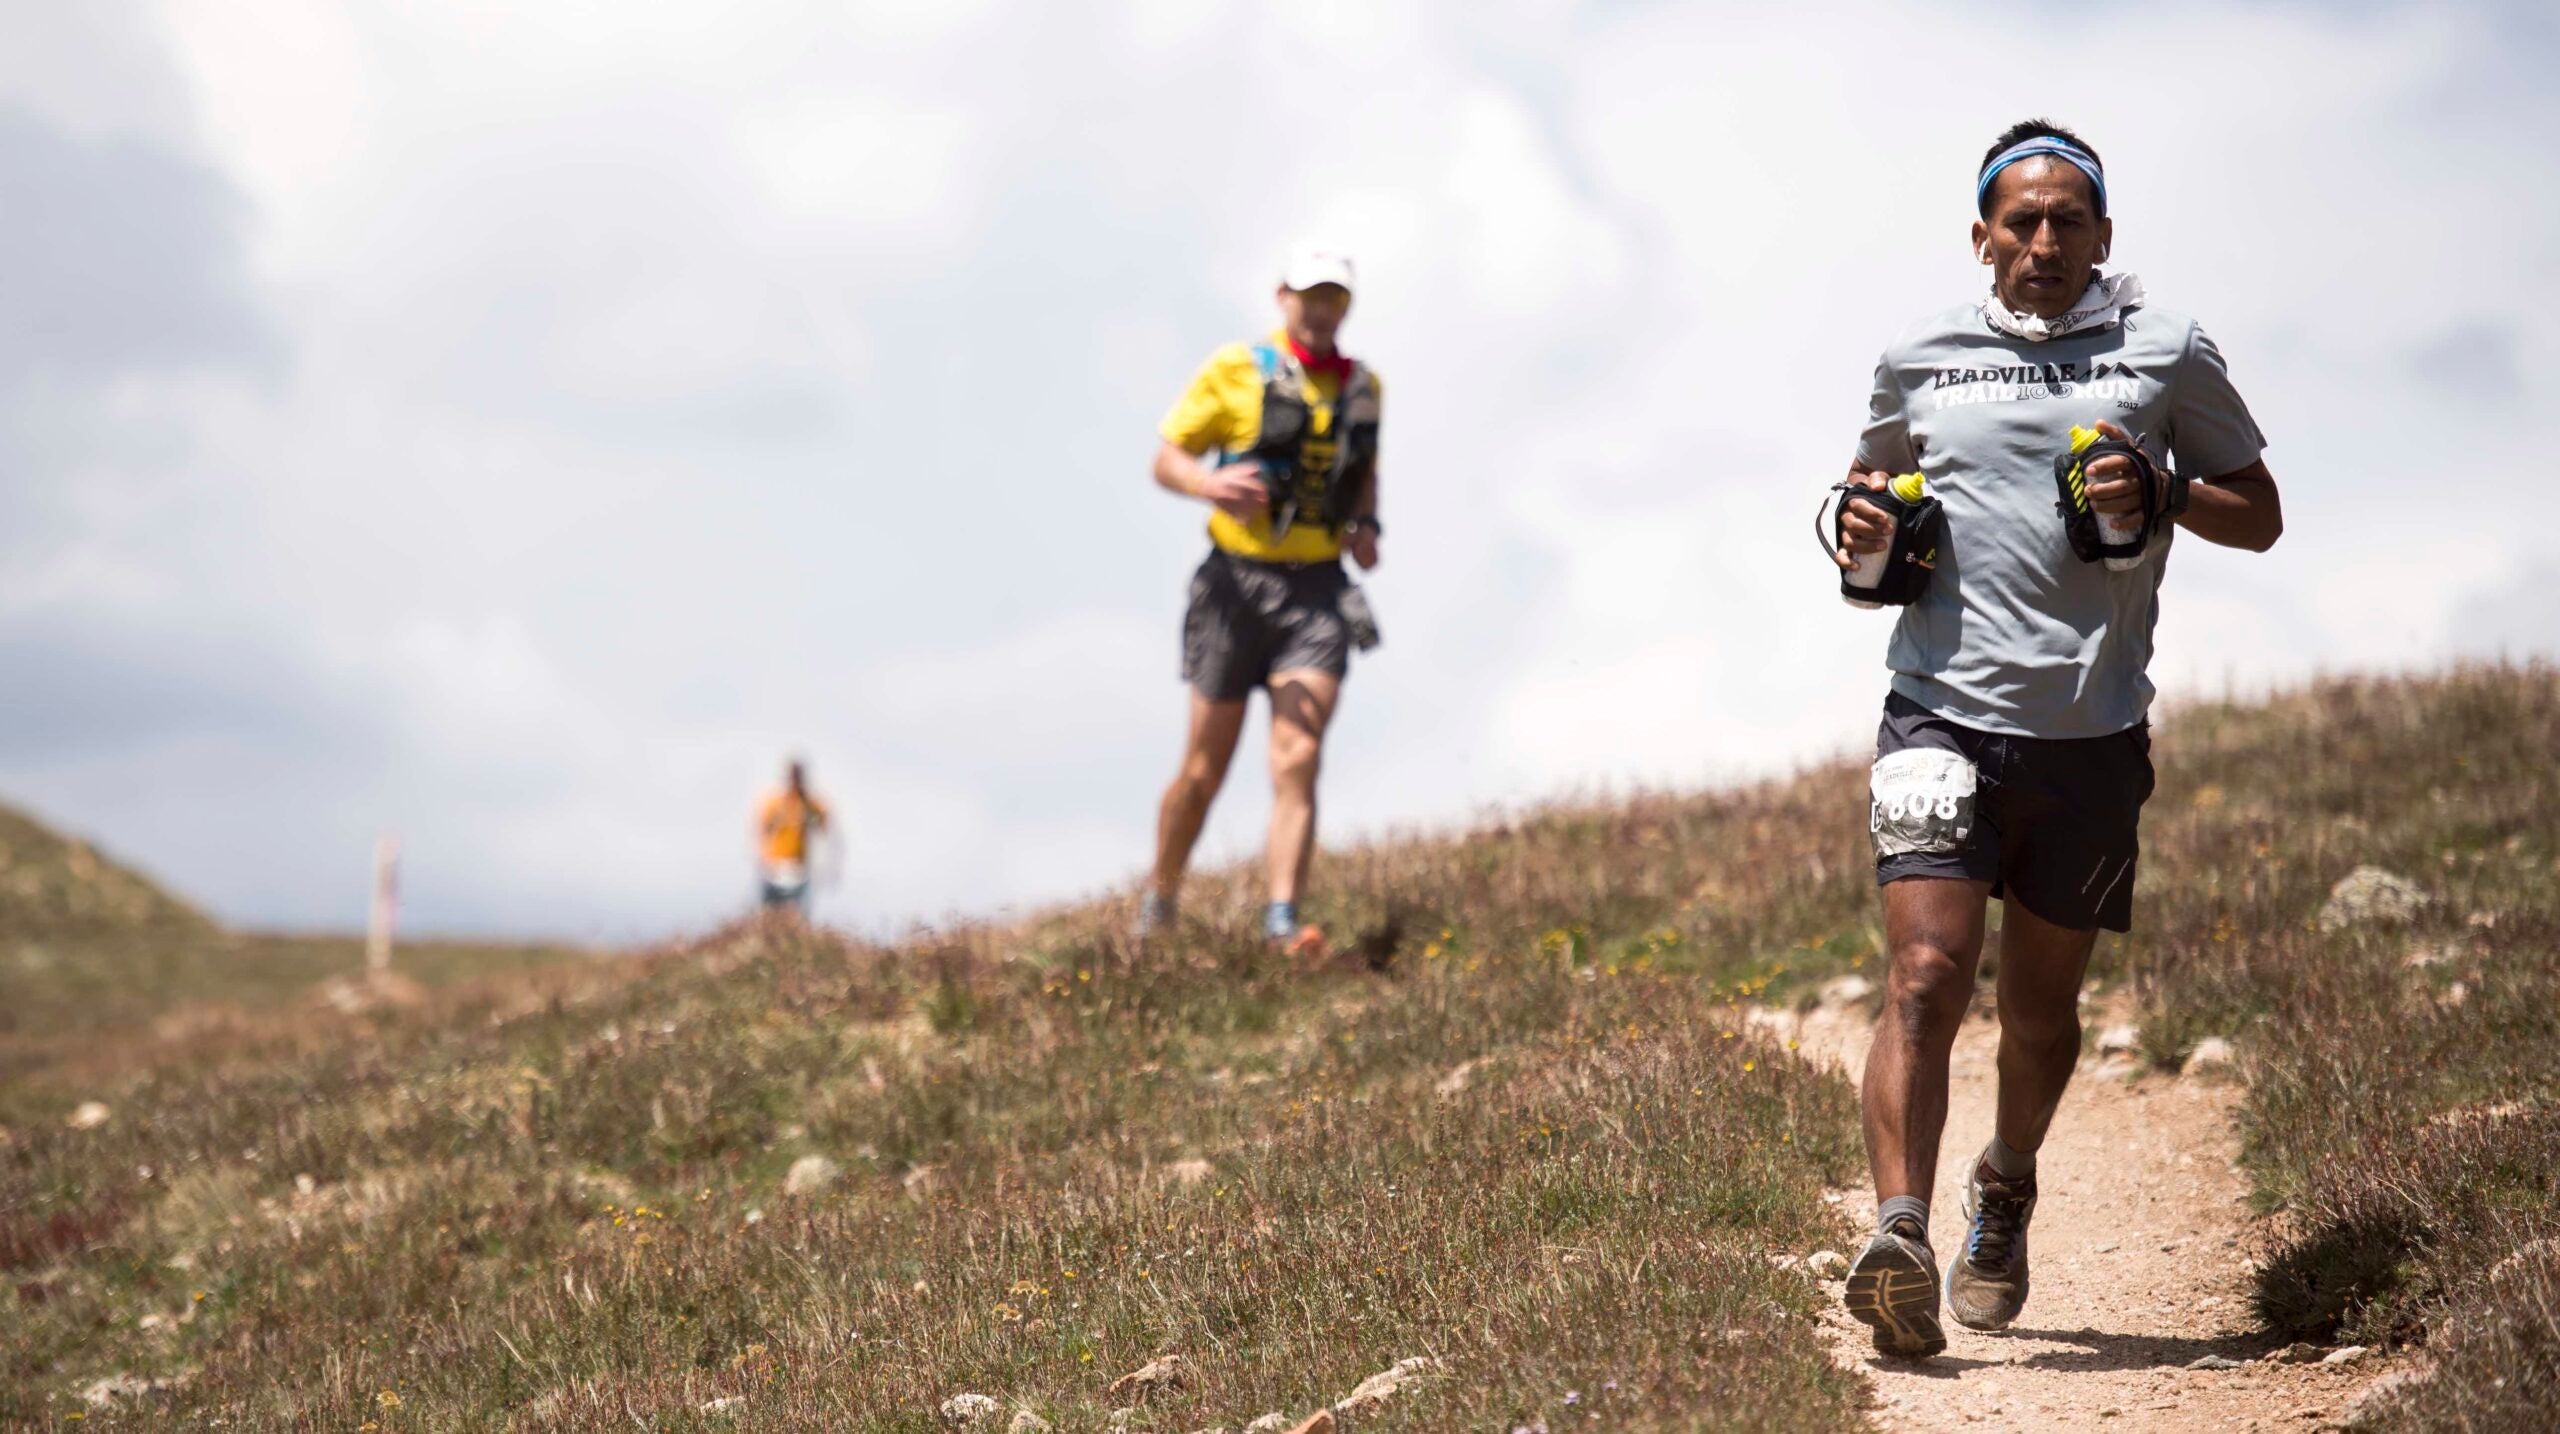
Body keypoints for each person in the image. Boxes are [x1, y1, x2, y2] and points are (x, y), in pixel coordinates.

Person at [1831, 120, 2283, 1358]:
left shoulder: (2164, 350)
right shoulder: (1915, 359)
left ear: (2102, 237)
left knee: (2037, 1014)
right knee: (1923, 976)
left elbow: (2263, 516)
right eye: (2018, 221)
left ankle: (2005, 1183)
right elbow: (1875, 515)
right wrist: (1862, 537)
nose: (2042, 240)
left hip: (2089, 734)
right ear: (1979, 236)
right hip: (1935, 711)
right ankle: (1900, 1235)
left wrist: (2169, 490)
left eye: (2065, 220)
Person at [1137, 245, 1384, 955]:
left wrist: (1365, 528)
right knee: (1203, 770)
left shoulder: (1366, 389)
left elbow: (1363, 476)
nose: (1322, 309)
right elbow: (1166, 457)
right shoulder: (1235, 371)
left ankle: (1281, 919)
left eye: (1336, 296)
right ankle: (1162, 894)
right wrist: (1206, 485)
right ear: (1282, 296)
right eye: (1311, 295)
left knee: (1297, 754)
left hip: (1317, 593)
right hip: (1233, 587)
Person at [754, 758, 832, 917]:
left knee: (799, 917)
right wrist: (764, 858)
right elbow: (761, 831)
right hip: (774, 869)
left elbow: (824, 824)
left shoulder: (809, 804)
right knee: (768, 917)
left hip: (799, 870)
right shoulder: (775, 803)